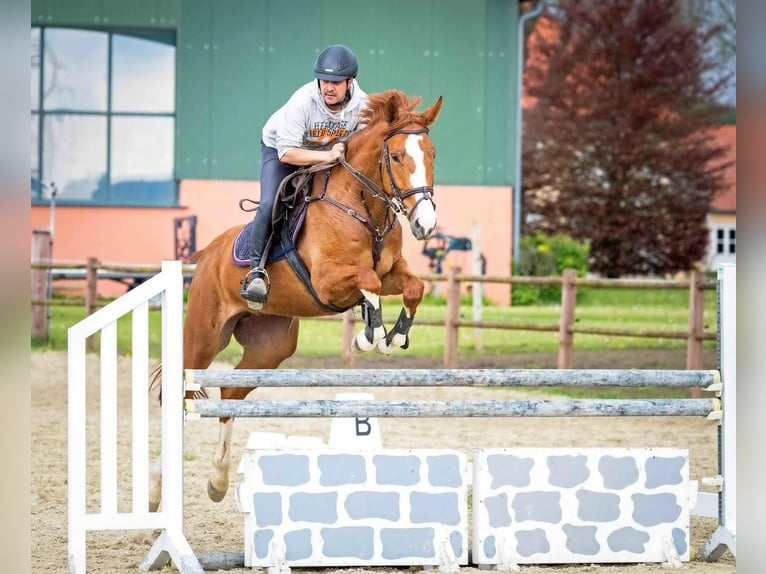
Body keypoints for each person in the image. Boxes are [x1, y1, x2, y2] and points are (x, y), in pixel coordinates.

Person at [241, 44, 368, 306]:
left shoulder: (362, 105)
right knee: (270, 202)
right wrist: (329, 156)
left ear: (350, 82)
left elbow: (364, 141)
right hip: (282, 150)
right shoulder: (302, 100)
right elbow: (287, 154)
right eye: (324, 80)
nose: (328, 87)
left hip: (324, 150)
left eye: (335, 82)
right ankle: (256, 272)